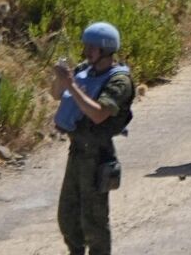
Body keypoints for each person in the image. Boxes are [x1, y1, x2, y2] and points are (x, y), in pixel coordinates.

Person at [52, 22, 135, 255]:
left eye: (92, 47)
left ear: (106, 50)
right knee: (67, 217)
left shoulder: (119, 81)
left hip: (98, 155)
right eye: (86, 46)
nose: (87, 51)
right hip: (77, 150)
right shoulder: (84, 71)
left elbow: (99, 114)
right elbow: (56, 94)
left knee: (94, 222)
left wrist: (71, 84)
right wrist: (61, 79)